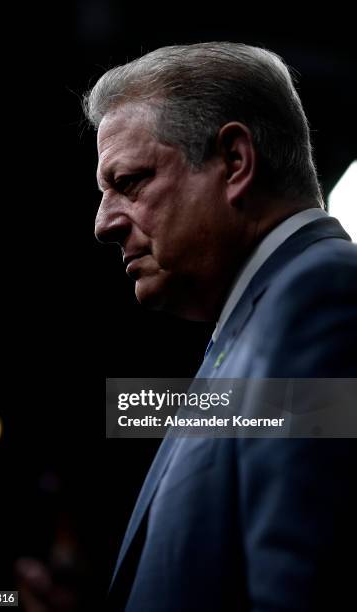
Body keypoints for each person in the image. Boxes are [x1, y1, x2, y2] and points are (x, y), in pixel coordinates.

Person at [85, 42, 357, 611]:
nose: (103, 223)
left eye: (129, 181)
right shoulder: (265, 318)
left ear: (235, 162)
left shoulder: (319, 298)